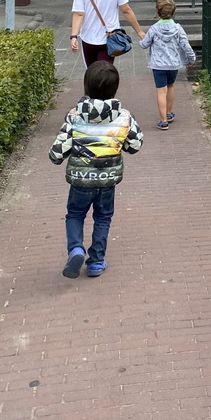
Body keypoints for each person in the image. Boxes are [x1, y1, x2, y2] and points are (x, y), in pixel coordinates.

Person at [49, 61, 143, 279]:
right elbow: (135, 145)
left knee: (75, 214)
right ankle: (96, 262)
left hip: (80, 180)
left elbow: (56, 153)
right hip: (107, 180)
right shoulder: (125, 117)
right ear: (115, 88)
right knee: (103, 218)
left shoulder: (74, 116)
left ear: (86, 86)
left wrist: (63, 154)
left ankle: (76, 249)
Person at [140, 0, 196, 131]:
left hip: (158, 65)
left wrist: (141, 38)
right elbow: (185, 45)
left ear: (158, 12)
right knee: (170, 86)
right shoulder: (178, 28)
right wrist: (191, 59)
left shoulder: (154, 28)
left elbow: (144, 45)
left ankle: (163, 120)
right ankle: (169, 114)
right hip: (173, 64)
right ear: (173, 12)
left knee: (161, 91)